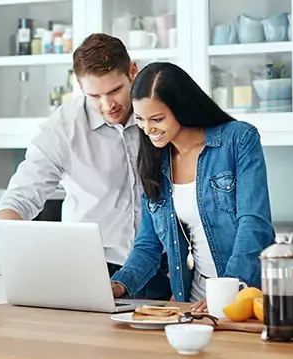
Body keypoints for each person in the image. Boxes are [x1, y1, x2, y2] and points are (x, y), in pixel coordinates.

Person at [0, 34, 171, 301]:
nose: (107, 105)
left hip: (165, 266)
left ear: (133, 72)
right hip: (95, 271)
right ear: (79, 85)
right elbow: (20, 198)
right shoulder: (63, 129)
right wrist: (15, 254)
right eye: (94, 95)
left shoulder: (160, 116)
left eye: (114, 91)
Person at [110, 62, 274, 311]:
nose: (148, 129)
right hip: (192, 304)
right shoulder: (155, 162)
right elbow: (148, 244)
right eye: (141, 119)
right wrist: (119, 284)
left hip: (245, 298)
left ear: (181, 108)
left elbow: (254, 224)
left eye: (157, 119)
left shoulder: (238, 140)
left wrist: (229, 291)